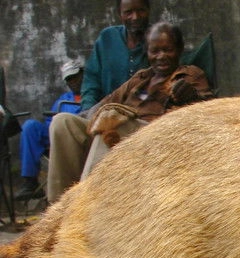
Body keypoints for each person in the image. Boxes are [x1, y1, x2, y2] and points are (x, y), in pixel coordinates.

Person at [47, 22, 214, 203]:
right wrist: (82, 118)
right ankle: (58, 204)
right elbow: (106, 103)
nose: (161, 56)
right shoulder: (141, 79)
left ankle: (86, 206)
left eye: (168, 50)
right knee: (62, 122)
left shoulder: (190, 75)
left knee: (110, 127)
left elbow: (208, 110)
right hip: (122, 126)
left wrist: (192, 98)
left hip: (153, 135)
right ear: (147, 53)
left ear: (180, 50)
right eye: (155, 51)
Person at [13, 61, 83, 201]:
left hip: (81, 137)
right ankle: (30, 181)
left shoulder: (94, 95)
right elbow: (50, 124)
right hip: (57, 138)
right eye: (69, 79)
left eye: (75, 77)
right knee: (30, 126)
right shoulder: (63, 100)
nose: (73, 82)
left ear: (82, 74)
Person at [80, 0, 152, 112]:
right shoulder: (107, 38)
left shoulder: (159, 39)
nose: (135, 17)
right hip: (105, 114)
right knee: (61, 121)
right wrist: (88, 111)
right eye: (128, 12)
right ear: (120, 14)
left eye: (141, 10)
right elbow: (91, 81)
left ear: (148, 10)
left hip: (144, 116)